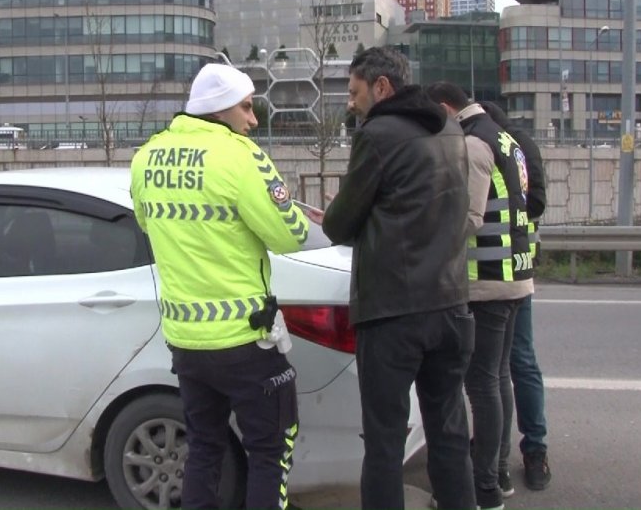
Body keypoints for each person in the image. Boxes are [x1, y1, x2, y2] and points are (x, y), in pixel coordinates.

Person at [130, 63, 310, 510]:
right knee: (270, 452)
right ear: (218, 110)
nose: (252, 119)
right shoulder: (240, 157)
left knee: (205, 448)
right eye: (246, 108)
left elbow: (145, 223)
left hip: (187, 343)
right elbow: (292, 234)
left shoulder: (146, 156)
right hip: (247, 342)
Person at [321, 47, 476, 510]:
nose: (351, 102)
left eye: (354, 92)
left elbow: (338, 224)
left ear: (382, 87)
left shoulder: (379, 134)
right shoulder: (450, 128)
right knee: (449, 434)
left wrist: (342, 208)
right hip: (451, 306)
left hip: (393, 313)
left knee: (386, 443)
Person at [426, 84, 534, 509]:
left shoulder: (474, 143)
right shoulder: (505, 138)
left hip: (486, 280)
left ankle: (485, 487)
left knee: (483, 385)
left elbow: (468, 216)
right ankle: (500, 473)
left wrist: (428, 250)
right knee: (498, 379)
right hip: (515, 275)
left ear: (445, 108)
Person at [480, 100, 552, 491]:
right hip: (504, 267)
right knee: (501, 368)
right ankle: (500, 453)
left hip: (511, 267)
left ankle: (534, 450)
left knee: (515, 363)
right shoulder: (515, 144)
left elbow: (536, 202)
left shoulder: (514, 147)